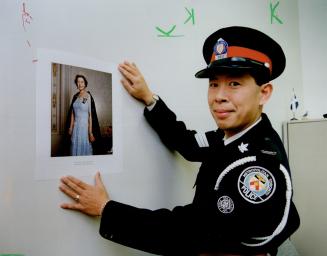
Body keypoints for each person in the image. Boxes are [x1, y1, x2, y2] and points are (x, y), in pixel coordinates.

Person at [59, 26, 300, 255]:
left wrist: (106, 209)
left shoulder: (258, 166)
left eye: (234, 84)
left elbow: (187, 232)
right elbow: (190, 144)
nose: (219, 96)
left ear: (264, 93)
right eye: (214, 84)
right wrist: (149, 99)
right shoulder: (233, 136)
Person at [65, 74, 103, 156]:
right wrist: (70, 127)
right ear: (76, 84)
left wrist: (90, 133)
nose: (80, 84)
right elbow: (72, 114)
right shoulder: (75, 96)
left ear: (85, 83)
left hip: (84, 128)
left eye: (82, 82)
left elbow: (90, 116)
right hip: (75, 128)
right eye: (78, 82)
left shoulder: (88, 96)